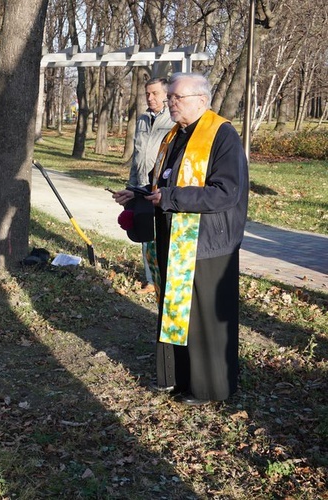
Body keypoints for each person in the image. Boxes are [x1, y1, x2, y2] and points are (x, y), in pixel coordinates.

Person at [112, 72, 249, 405]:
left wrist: (171, 198)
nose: (170, 102)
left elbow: (225, 193)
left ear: (201, 100)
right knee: (178, 312)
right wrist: (139, 194)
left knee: (203, 320)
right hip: (175, 237)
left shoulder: (222, 135)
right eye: (169, 97)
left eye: (177, 98)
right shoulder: (176, 134)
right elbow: (165, 182)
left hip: (208, 244)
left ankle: (210, 388)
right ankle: (180, 377)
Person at [129, 77, 174, 293]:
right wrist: (131, 186)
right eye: (147, 93)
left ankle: (165, 278)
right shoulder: (142, 120)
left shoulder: (172, 121)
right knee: (145, 232)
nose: (150, 97)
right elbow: (137, 155)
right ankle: (150, 279)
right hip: (142, 185)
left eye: (155, 93)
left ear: (166, 95)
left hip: (162, 188)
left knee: (163, 234)